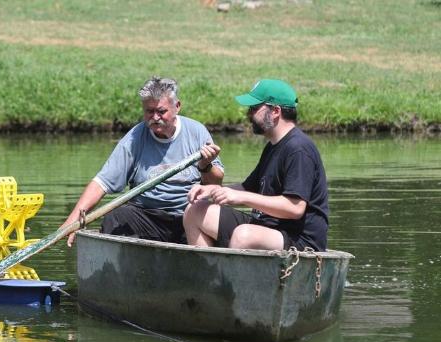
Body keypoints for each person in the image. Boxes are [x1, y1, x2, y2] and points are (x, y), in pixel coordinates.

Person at [62, 76, 223, 246]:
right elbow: (102, 183)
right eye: (149, 111)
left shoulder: (197, 132)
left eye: (161, 111)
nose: (155, 117)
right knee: (116, 217)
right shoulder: (134, 138)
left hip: (189, 215)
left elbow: (216, 182)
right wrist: (72, 222)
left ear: (177, 107)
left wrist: (206, 166)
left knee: (218, 218)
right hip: (147, 216)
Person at [182, 79, 329, 251]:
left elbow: (294, 208)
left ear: (275, 111)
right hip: (267, 227)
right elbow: (248, 188)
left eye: (254, 108)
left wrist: (241, 198)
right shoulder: (273, 146)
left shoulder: (298, 149)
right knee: (195, 211)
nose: (248, 114)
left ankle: (232, 278)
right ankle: (209, 276)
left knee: (243, 235)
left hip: (299, 240)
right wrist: (212, 191)